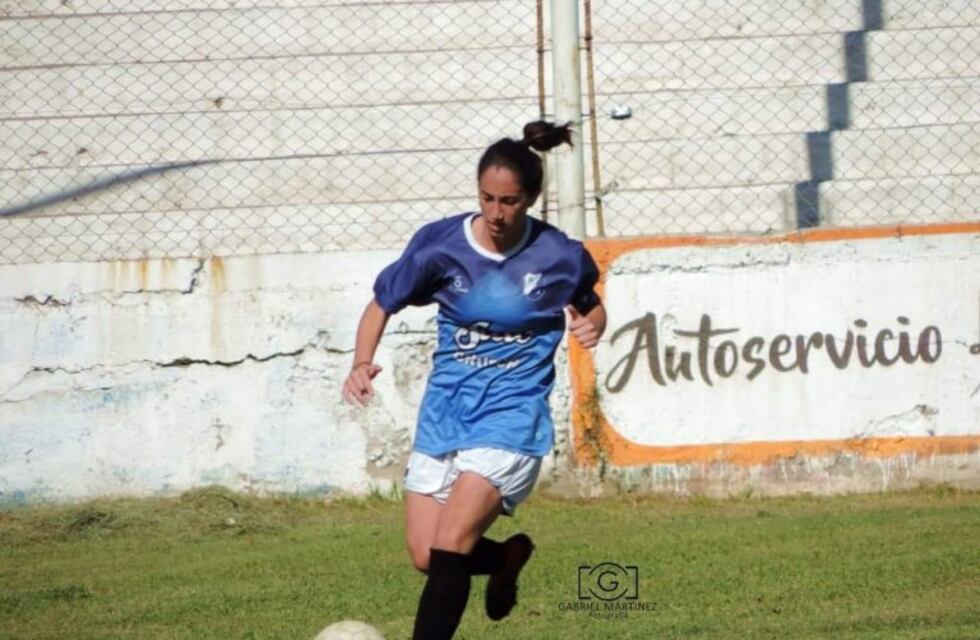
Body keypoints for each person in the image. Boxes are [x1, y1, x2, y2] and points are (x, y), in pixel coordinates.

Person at [341, 120, 607, 639]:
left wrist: (590, 328)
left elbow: (592, 310)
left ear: (529, 198)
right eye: (487, 198)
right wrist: (360, 361)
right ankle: (508, 556)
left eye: (509, 201)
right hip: (445, 415)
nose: (496, 212)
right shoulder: (440, 246)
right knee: (426, 554)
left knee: (451, 545)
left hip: (511, 420)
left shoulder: (558, 256)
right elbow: (381, 303)